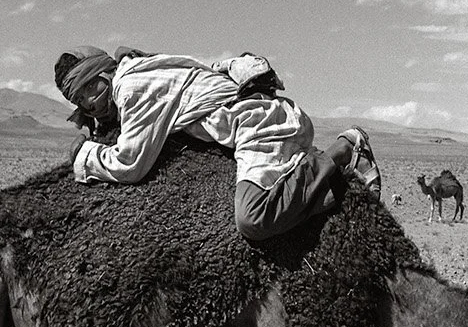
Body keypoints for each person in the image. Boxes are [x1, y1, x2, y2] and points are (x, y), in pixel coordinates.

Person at [54, 45, 380, 242]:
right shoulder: (132, 76)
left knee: (253, 218)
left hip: (257, 123)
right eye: (80, 100)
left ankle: (343, 150)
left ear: (105, 73)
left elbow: (130, 163)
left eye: (91, 88)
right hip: (247, 122)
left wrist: (85, 154)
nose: (90, 103)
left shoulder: (132, 87)